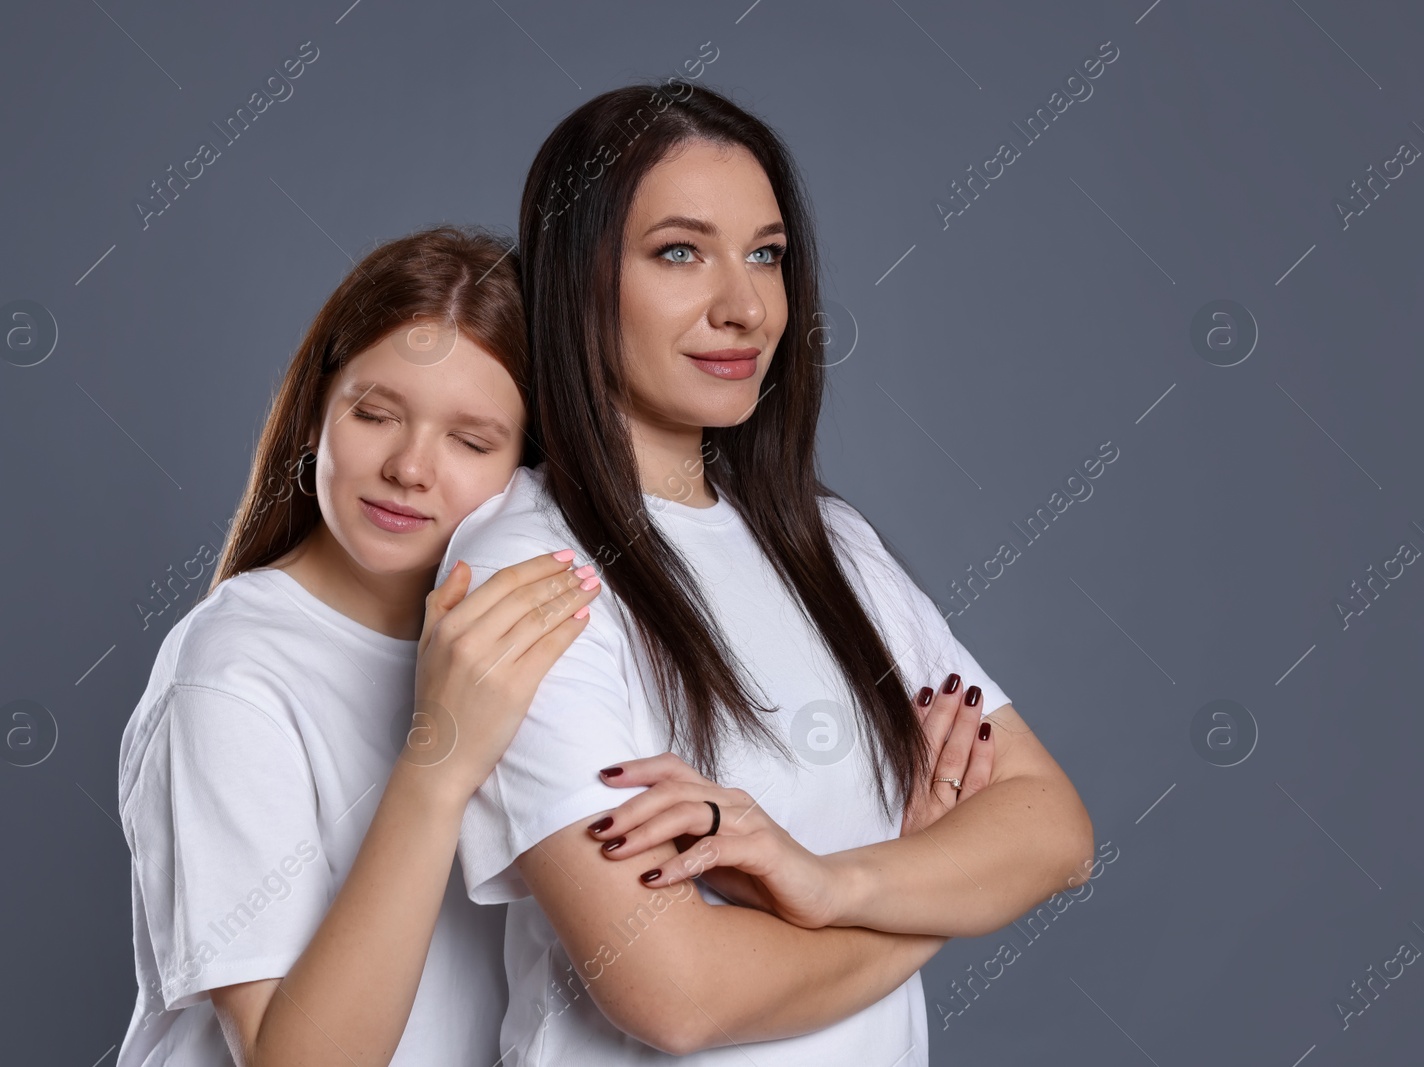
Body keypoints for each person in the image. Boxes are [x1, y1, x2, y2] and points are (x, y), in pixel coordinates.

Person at [436, 84, 1094, 1064]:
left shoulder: (827, 543)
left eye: (766, 255)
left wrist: (827, 883)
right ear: (578, 280)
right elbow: (674, 991)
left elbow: (1054, 832)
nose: (744, 306)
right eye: (679, 252)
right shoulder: (529, 568)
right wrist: (932, 884)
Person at [114, 226, 602, 1066]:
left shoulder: (537, 636)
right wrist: (438, 761)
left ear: (530, 467)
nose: (411, 467)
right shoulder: (228, 674)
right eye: (376, 414)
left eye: (471, 440)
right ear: (314, 417)